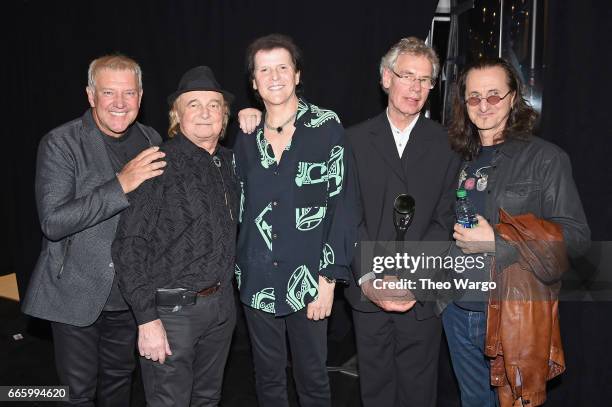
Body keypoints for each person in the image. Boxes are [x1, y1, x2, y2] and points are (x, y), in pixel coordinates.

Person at [440, 57, 590, 406]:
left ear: (512, 98)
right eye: (474, 97)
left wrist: (497, 241)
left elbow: (576, 239)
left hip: (512, 312)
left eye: (494, 95)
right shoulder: (456, 157)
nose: (483, 105)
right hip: (456, 308)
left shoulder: (545, 158)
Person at [21, 54, 165, 406]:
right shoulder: (61, 142)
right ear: (90, 95)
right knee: (77, 393)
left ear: (141, 96)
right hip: (76, 292)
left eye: (128, 93)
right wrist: (120, 184)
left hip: (129, 296)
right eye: (108, 93)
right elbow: (53, 223)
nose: (119, 103)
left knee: (119, 385)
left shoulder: (150, 139)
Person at [233, 34, 351, 407]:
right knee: (267, 380)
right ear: (253, 83)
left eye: (283, 67)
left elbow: (343, 206)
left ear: (297, 74)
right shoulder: (246, 137)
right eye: (264, 70)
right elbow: (237, 207)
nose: (275, 76)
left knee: (313, 379)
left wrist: (329, 278)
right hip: (257, 279)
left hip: (309, 281)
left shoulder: (327, 126)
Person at [343, 37, 460, 407]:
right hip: (368, 291)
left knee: (418, 392)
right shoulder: (352, 141)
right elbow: (348, 216)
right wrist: (369, 276)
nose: (416, 87)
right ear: (385, 78)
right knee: (374, 391)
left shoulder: (449, 144)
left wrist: (411, 277)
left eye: (425, 80)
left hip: (422, 293)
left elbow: (445, 220)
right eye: (407, 75)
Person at [111, 66, 238, 406]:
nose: (204, 113)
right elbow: (129, 246)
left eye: (213, 105)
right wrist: (146, 317)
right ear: (177, 115)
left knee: (208, 398)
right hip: (171, 314)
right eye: (193, 104)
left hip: (222, 308)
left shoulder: (230, 163)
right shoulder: (157, 164)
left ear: (224, 116)